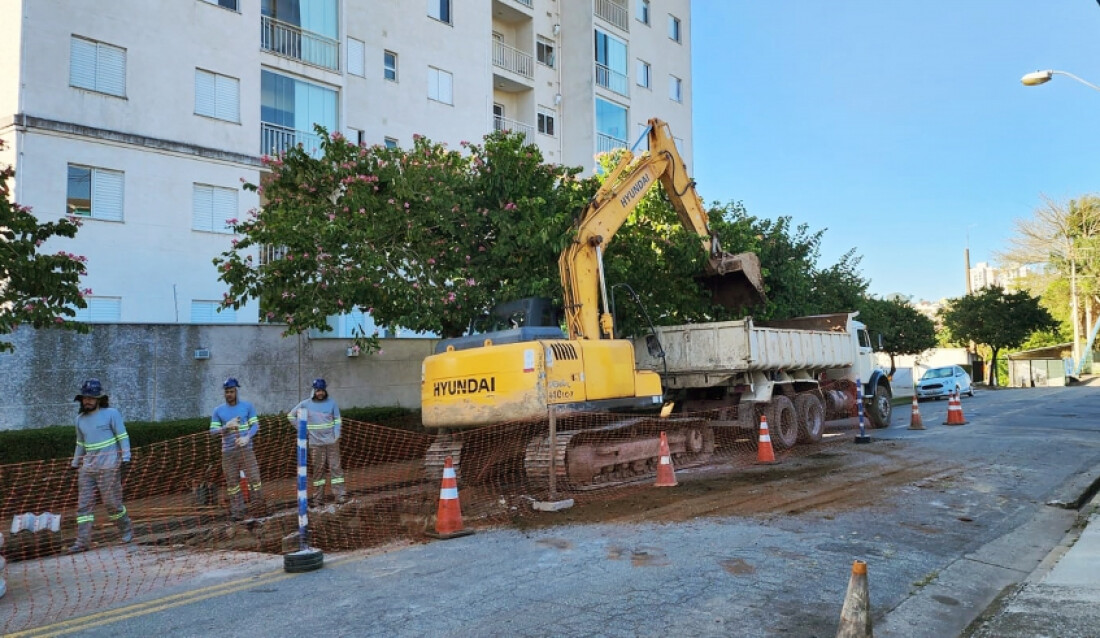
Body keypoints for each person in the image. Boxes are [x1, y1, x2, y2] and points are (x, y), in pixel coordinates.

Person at [70, 378, 133, 553]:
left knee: (112, 504)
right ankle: (82, 542)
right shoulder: (79, 419)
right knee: (83, 506)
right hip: (87, 469)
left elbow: (122, 436)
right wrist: (75, 463)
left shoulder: (112, 414)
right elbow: (80, 443)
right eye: (85, 398)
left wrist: (126, 457)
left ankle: (126, 529)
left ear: (99, 399)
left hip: (109, 467)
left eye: (91, 398)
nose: (87, 401)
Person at [210, 377, 263, 520]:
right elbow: (213, 432)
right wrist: (226, 427)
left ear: (236, 391)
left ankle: (258, 509)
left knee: (254, 479)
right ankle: (238, 512)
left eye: (231, 391)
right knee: (232, 483)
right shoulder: (218, 410)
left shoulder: (247, 406)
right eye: (227, 392)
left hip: (246, 449)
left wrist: (247, 438)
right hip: (228, 452)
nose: (229, 394)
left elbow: (255, 425)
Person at [288, 378, 346, 506]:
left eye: (322, 390)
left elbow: (337, 420)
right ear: (314, 391)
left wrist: (337, 435)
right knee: (318, 471)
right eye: (318, 391)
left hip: (332, 443)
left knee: (336, 469)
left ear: (325, 391)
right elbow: (291, 416)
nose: (320, 393)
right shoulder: (305, 404)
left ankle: (340, 496)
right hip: (315, 444)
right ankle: (318, 499)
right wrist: (302, 429)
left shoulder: (332, 403)